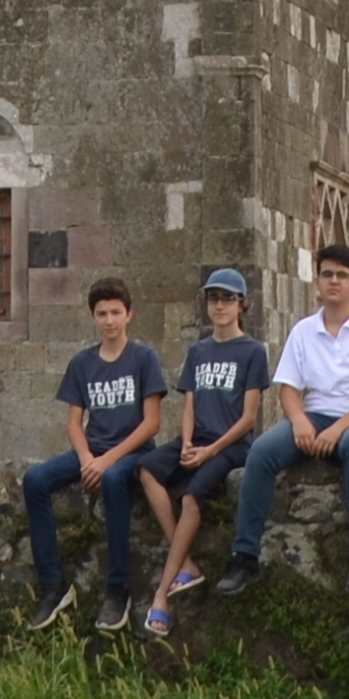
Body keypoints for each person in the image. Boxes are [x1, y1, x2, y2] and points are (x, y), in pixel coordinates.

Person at [215, 243, 349, 599]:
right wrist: (298, 420)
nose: (334, 281)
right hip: (315, 415)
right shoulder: (303, 331)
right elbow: (288, 389)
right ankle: (245, 556)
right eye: (327, 274)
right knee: (262, 451)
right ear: (317, 282)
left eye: (342, 275)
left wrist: (339, 428)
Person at [20, 280, 170, 632]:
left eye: (116, 312)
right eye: (102, 314)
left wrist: (106, 461)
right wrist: (88, 458)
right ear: (93, 318)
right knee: (35, 480)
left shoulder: (143, 358)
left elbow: (152, 423)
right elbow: (74, 423)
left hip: (132, 452)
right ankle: (52, 586)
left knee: (114, 479)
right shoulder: (82, 363)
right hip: (93, 450)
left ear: (129, 315)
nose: (109, 320)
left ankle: (118, 588)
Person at [143, 271, 271, 635]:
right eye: (213, 298)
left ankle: (161, 594)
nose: (220, 305)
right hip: (197, 438)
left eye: (228, 299)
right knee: (147, 469)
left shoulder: (253, 351)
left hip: (231, 445)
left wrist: (210, 451)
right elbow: (189, 405)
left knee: (191, 497)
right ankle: (185, 562)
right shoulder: (198, 351)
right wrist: (186, 443)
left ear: (242, 305)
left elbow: (248, 418)